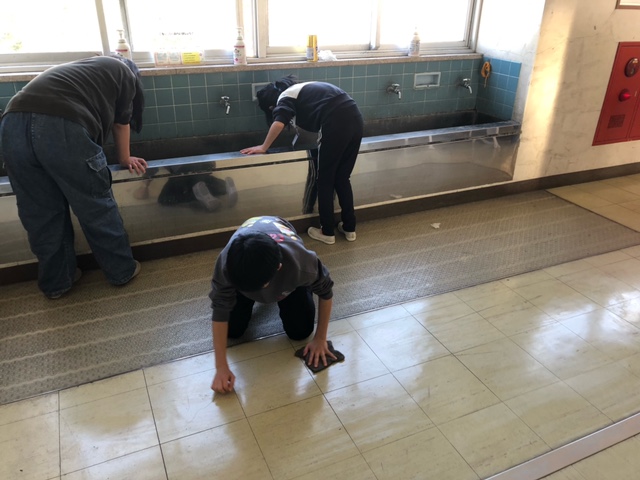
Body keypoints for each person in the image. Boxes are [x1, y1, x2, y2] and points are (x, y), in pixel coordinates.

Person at [0, 55, 147, 299]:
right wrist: (124, 158)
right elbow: (121, 123)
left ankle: (57, 283)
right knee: (96, 206)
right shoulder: (124, 71)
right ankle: (121, 271)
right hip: (62, 125)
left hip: (11, 124)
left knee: (40, 213)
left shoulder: (73, 70)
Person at [209, 215, 337, 394]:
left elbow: (326, 292)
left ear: (278, 268)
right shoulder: (227, 264)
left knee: (300, 331)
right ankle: (250, 291)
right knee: (233, 331)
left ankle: (294, 290)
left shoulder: (301, 263)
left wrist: (321, 338)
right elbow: (220, 309)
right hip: (246, 272)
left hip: (288, 277)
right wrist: (221, 367)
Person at [240, 75, 363, 245]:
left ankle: (327, 232)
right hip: (356, 118)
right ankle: (349, 228)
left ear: (271, 106)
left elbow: (279, 123)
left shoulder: (284, 98)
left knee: (325, 181)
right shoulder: (302, 89)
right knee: (342, 178)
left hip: (335, 123)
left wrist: (263, 147)